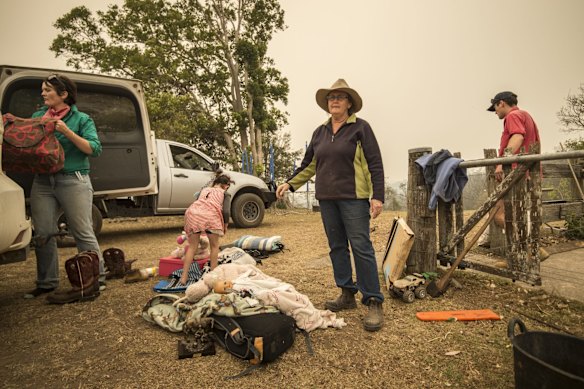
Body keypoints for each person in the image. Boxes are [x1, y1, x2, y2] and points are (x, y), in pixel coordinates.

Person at [276, 79, 385, 332]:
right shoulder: (320, 132)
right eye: (330, 97)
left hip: (354, 198)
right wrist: (289, 184)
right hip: (327, 199)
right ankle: (347, 293)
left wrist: (376, 196)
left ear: (349, 103)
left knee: (361, 246)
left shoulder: (360, 128)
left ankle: (373, 301)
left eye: (340, 97)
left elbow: (374, 163)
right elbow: (309, 165)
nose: (334, 100)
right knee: (337, 246)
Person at [24, 74, 104, 299]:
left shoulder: (82, 119)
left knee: (82, 231)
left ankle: (96, 279)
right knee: (43, 233)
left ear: (63, 94)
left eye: (48, 90)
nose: (43, 93)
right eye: (43, 89)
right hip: (42, 181)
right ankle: (47, 282)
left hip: (73, 179)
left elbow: (94, 149)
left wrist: (67, 132)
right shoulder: (38, 116)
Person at [487, 91, 541, 228]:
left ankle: (517, 240)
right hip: (528, 172)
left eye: (495, 107)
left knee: (499, 212)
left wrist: (501, 162)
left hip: (515, 172)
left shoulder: (512, 116)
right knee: (520, 210)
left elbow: (518, 137)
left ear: (501, 103)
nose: (495, 112)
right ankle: (523, 239)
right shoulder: (526, 115)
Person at [180, 173, 232, 285]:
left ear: (215, 183)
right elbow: (226, 212)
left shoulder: (204, 190)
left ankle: (183, 277)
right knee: (214, 246)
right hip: (210, 216)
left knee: (192, 247)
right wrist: (225, 226)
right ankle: (213, 277)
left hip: (193, 213)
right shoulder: (225, 193)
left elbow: (200, 202)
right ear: (226, 185)